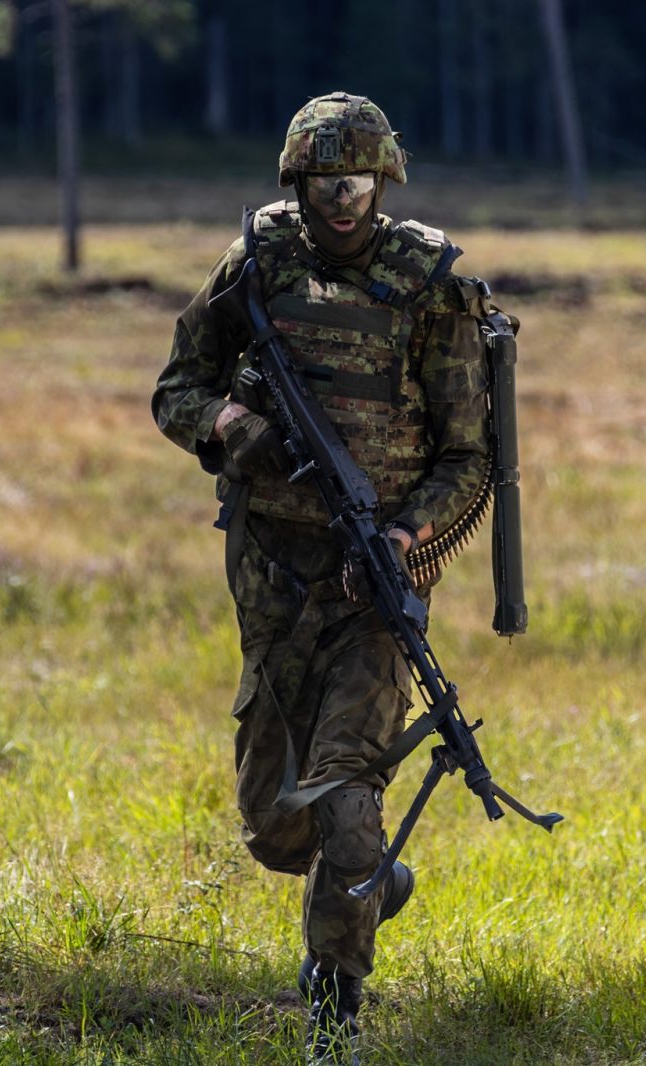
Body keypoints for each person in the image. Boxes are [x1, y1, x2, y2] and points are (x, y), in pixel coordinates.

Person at [151, 92, 495, 1066]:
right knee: (274, 829)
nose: (338, 204)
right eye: (320, 184)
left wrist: (406, 532)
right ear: (294, 182)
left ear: (381, 182)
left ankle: (332, 1010)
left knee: (347, 795)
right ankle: (367, 878)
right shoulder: (254, 264)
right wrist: (227, 428)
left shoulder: (427, 286)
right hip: (269, 577)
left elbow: (469, 454)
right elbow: (177, 386)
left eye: (354, 184)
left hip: (372, 586)